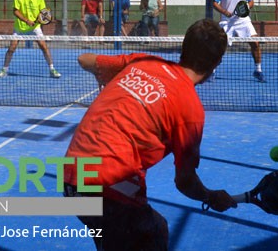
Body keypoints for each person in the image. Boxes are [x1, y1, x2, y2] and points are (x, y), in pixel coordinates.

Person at [63, 18, 236, 250]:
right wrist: (210, 196)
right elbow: (185, 182)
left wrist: (111, 78)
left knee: (116, 234)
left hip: (72, 176)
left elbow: (85, 59)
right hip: (110, 183)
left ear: (183, 46)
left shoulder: (143, 62)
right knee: (153, 232)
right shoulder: (190, 109)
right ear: (216, 63)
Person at [0, 0, 61, 78]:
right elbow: (15, 11)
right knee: (12, 48)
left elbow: (43, 12)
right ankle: (4, 69)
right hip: (19, 28)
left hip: (35, 27)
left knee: (43, 46)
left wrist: (44, 19)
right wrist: (26, 20)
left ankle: (52, 69)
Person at [212, 0, 265, 82]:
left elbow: (251, 1)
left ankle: (258, 70)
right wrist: (225, 12)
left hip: (243, 21)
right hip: (226, 22)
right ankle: (212, 71)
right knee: (218, 47)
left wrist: (245, 8)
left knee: (255, 43)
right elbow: (214, 2)